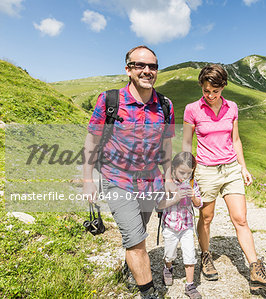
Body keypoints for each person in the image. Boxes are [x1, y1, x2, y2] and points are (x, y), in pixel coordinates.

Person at [82, 45, 174, 299]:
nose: (147, 71)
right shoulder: (110, 100)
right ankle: (148, 293)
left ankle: (130, 268)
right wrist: (87, 178)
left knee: (139, 232)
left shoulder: (165, 105)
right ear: (128, 69)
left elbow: (166, 145)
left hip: (150, 180)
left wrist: (168, 179)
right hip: (116, 179)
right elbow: (92, 140)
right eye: (139, 65)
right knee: (135, 240)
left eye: (152, 66)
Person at [182, 64, 266, 294]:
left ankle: (256, 270)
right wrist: (188, 179)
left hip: (231, 169)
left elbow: (236, 140)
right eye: (206, 91)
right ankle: (206, 255)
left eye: (215, 92)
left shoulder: (232, 107)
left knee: (241, 219)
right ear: (202, 87)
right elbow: (187, 145)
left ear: (223, 87)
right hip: (206, 170)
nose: (210, 96)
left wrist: (243, 167)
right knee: (206, 218)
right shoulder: (192, 110)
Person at [157, 152, 202, 299]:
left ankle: (190, 285)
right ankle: (168, 267)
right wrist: (176, 198)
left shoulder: (191, 183)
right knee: (169, 254)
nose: (184, 176)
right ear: (174, 168)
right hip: (170, 225)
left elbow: (199, 204)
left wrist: (193, 197)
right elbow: (159, 205)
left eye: (189, 173)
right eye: (182, 172)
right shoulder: (167, 184)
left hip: (187, 226)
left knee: (190, 255)